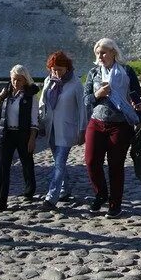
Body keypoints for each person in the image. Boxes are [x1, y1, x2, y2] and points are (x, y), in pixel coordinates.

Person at [83, 38, 141, 218]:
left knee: (116, 166)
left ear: (113, 53)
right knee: (91, 161)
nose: (100, 56)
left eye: (103, 52)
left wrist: (139, 116)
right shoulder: (93, 73)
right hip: (97, 122)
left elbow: (136, 96)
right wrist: (98, 94)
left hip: (120, 124)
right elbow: (86, 100)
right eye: (97, 53)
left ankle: (115, 204)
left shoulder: (126, 72)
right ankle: (101, 193)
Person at [38, 50, 86, 208]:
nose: (57, 73)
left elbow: (82, 109)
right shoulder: (48, 81)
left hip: (67, 129)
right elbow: (42, 102)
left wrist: (82, 130)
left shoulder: (76, 83)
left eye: (60, 69)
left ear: (67, 68)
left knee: (59, 163)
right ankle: (65, 189)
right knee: (59, 162)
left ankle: (51, 197)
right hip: (50, 128)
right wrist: (40, 120)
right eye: (54, 69)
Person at [0, 65, 39, 211]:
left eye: (19, 80)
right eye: (13, 79)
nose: (16, 83)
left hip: (23, 134)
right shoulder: (7, 93)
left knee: (27, 162)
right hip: (6, 134)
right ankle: (0, 200)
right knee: (2, 166)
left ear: (25, 80)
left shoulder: (31, 96)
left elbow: (34, 118)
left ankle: (29, 189)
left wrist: (32, 138)